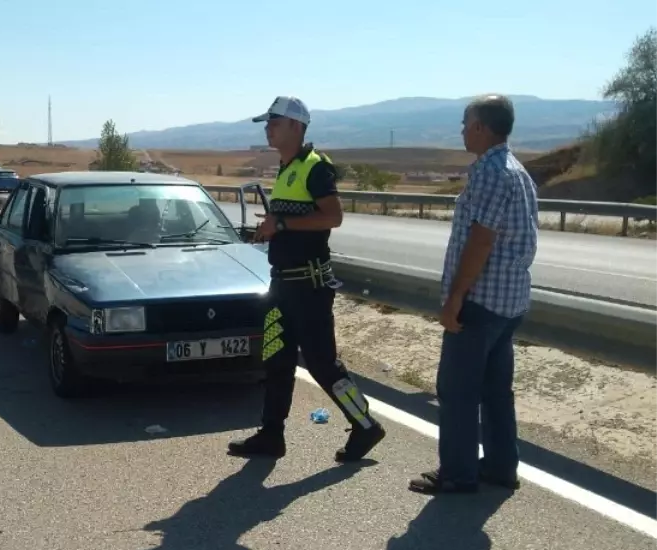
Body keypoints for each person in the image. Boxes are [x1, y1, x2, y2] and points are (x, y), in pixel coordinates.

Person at [228, 96, 385, 462]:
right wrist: (271, 230)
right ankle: (271, 435)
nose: (268, 128)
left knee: (322, 364)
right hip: (281, 283)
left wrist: (281, 223)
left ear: (297, 127)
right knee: (276, 360)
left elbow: (333, 217)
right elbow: (295, 223)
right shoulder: (287, 168)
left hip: (309, 286)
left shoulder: (316, 167)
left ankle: (365, 424)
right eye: (267, 123)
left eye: (275, 122)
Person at [409, 95, 539, 495]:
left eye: (466, 123)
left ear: (482, 127)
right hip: (509, 304)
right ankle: (500, 467)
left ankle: (459, 474)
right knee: (496, 391)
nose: (462, 130)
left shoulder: (490, 172)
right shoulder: (518, 171)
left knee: (458, 390)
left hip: (480, 304)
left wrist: (455, 298)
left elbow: (481, 240)